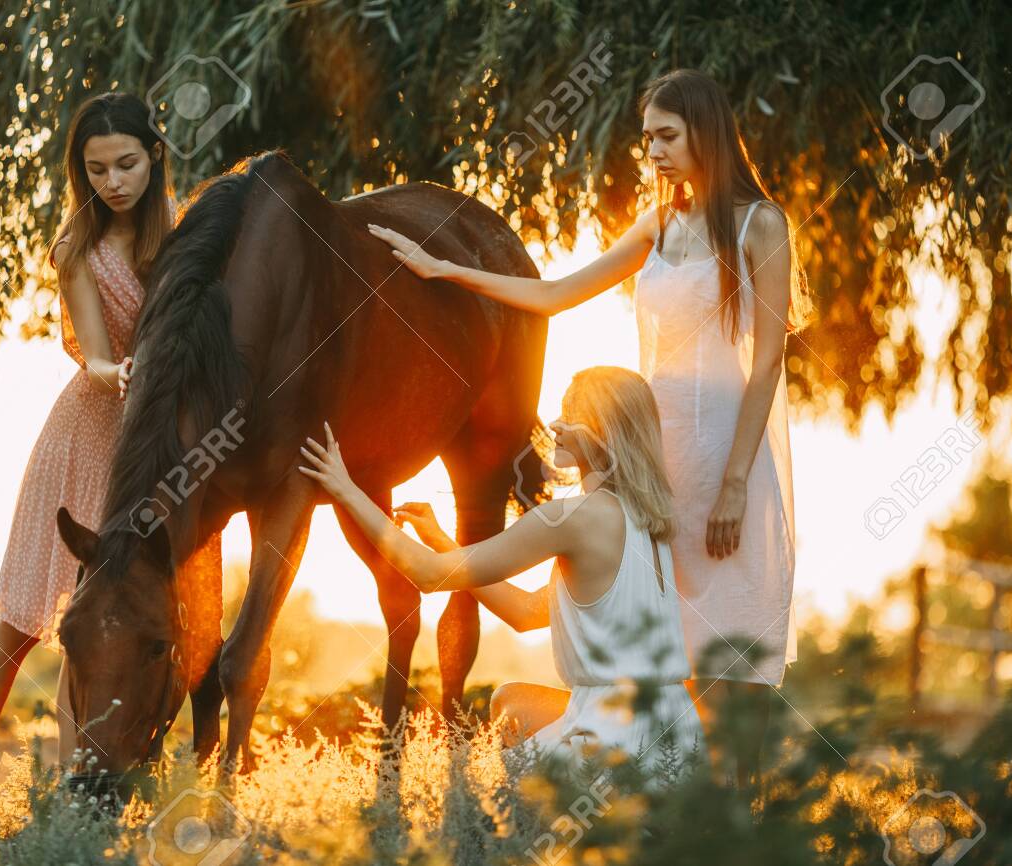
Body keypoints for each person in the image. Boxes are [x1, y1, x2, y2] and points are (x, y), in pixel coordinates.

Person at [367, 68, 812, 783]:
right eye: (647, 139)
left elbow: (766, 364)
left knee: (734, 659)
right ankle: (663, 802)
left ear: (706, 130)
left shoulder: (762, 224)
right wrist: (446, 271)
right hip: (654, 461)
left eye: (667, 135)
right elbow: (552, 294)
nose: (655, 152)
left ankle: (740, 823)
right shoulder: (658, 225)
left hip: (731, 459)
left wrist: (733, 484)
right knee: (665, 646)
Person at [0, 92, 175, 804]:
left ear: (155, 158)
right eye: (97, 169)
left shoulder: (187, 235)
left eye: (127, 163)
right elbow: (96, 359)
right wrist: (120, 371)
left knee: (111, 622)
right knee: (22, 618)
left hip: (148, 444)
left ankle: (81, 802)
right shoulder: (77, 249)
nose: (113, 182)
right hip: (85, 434)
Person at [298, 367, 705, 781]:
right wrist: (444, 541)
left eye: (572, 414)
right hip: (675, 735)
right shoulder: (648, 520)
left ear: (603, 431)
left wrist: (347, 489)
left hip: (614, 742)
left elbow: (425, 575)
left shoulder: (572, 519)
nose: (556, 426)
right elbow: (526, 612)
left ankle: (544, 811)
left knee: (496, 802)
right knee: (511, 701)